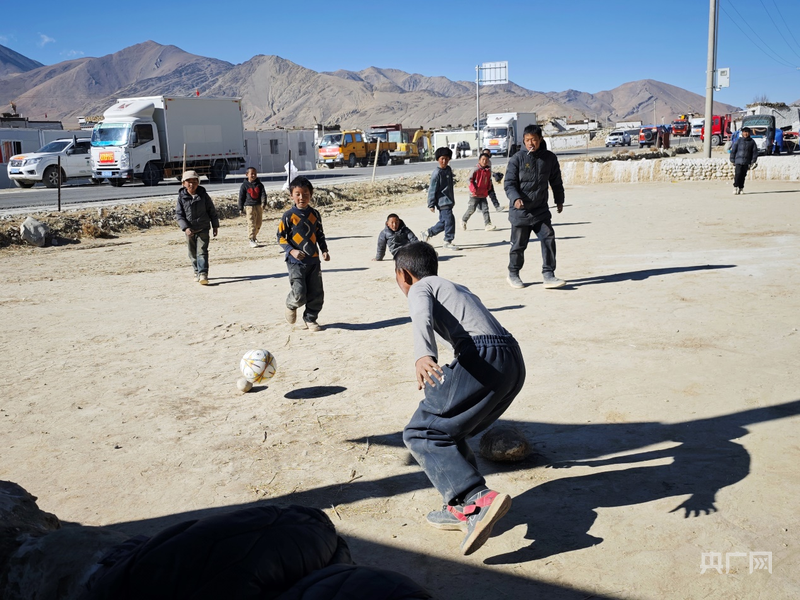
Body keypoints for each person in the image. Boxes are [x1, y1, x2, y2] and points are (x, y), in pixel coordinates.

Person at [394, 242, 526, 556]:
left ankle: (476, 499)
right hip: (511, 359)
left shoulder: (420, 286)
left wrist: (423, 355)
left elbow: (421, 318)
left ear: (404, 275)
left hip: (483, 355)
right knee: (450, 429)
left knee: (421, 431)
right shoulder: (454, 286)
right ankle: (458, 507)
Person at [504, 124, 567, 289]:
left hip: (540, 210)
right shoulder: (517, 159)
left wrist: (559, 200)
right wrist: (515, 198)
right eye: (527, 140)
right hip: (521, 211)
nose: (530, 143)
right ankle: (513, 273)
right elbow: (509, 184)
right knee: (518, 246)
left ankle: (548, 274)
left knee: (548, 238)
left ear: (540, 140)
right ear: (523, 141)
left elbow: (556, 181)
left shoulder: (549, 158)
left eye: (534, 139)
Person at [277, 176, 329, 332]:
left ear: (311, 195)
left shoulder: (315, 214)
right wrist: (291, 250)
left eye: (305, 194)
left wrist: (324, 250)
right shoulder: (288, 216)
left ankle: (310, 319)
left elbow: (320, 234)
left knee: (316, 293)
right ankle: (291, 304)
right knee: (300, 293)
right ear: (291, 195)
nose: (302, 197)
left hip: (313, 260)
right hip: (295, 262)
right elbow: (280, 236)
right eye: (298, 194)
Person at [175, 170, 219, 285]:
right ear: (183, 183)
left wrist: (215, 226)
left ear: (198, 183)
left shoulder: (203, 195)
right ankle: (196, 271)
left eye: (194, 182)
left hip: (203, 227)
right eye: (188, 182)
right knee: (192, 253)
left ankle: (203, 273)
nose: (191, 184)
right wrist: (185, 228)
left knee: (202, 252)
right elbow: (179, 215)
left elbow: (212, 211)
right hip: (189, 230)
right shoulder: (181, 197)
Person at [420, 147, 459, 250]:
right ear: (438, 159)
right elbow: (432, 189)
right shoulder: (436, 173)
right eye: (442, 158)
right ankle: (448, 241)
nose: (444, 161)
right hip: (442, 201)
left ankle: (427, 233)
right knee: (450, 220)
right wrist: (431, 204)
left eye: (446, 159)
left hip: (449, 200)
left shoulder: (448, 170)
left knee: (444, 222)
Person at [462, 153, 497, 231]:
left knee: (485, 209)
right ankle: (463, 220)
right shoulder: (475, 169)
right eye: (483, 160)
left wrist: (488, 188)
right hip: (474, 194)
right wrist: (473, 189)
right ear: (479, 160)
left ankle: (488, 224)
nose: (484, 161)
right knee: (472, 209)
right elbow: (469, 180)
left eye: (486, 160)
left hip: (483, 194)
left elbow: (488, 181)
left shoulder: (488, 170)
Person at [238, 167, 267, 248]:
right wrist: (240, 208)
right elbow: (241, 197)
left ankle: (254, 236)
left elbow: (263, 194)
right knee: (251, 223)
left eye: (255, 174)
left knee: (258, 223)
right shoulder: (244, 186)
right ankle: (251, 239)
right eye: (252, 174)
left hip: (258, 206)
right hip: (249, 207)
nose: (253, 175)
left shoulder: (259, 185)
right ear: (247, 175)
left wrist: (263, 203)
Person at [730, 127, 758, 195]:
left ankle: (741, 188)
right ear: (742, 133)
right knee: (738, 174)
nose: (746, 134)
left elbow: (754, 152)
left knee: (743, 175)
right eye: (744, 132)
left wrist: (753, 161)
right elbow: (733, 151)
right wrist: (732, 159)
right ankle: (735, 187)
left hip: (746, 161)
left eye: (747, 132)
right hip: (738, 161)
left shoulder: (752, 142)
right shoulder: (738, 141)